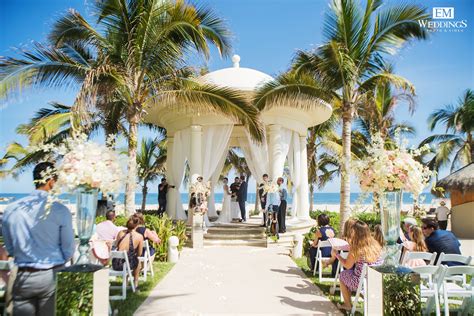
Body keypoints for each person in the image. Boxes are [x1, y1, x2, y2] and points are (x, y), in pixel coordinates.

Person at [2, 162, 75, 315]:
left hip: (22, 274)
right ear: (51, 181)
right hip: (51, 275)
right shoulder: (60, 210)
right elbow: (68, 249)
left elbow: (10, 248)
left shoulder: (11, 209)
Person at [336, 220, 383, 311]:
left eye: (352, 231)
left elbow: (347, 265)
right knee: (349, 273)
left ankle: (347, 304)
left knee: (343, 275)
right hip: (375, 281)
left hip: (361, 283)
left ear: (357, 233)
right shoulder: (375, 244)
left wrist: (337, 255)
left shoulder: (356, 248)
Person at [113, 215, 144, 289]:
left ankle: (126, 282)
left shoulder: (120, 233)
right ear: (136, 225)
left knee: (127, 259)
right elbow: (139, 254)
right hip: (127, 265)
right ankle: (135, 283)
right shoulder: (139, 236)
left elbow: (117, 246)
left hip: (116, 264)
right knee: (137, 261)